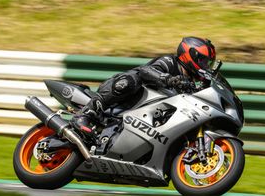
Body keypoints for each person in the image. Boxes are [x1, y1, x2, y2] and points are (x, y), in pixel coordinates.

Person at [71, 36, 217, 135]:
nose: (206, 66)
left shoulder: (192, 81)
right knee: (130, 81)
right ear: (191, 54)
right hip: (128, 96)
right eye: (204, 61)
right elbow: (145, 71)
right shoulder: (169, 61)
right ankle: (85, 113)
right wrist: (170, 79)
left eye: (208, 63)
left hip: (144, 117)